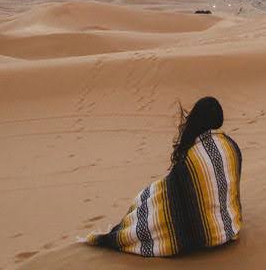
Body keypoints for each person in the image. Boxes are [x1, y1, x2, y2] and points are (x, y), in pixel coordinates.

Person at [81, 96, 243, 257]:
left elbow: (175, 200)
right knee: (156, 194)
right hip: (229, 229)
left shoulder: (191, 158)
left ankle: (121, 234)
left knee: (149, 201)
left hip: (206, 239)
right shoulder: (232, 147)